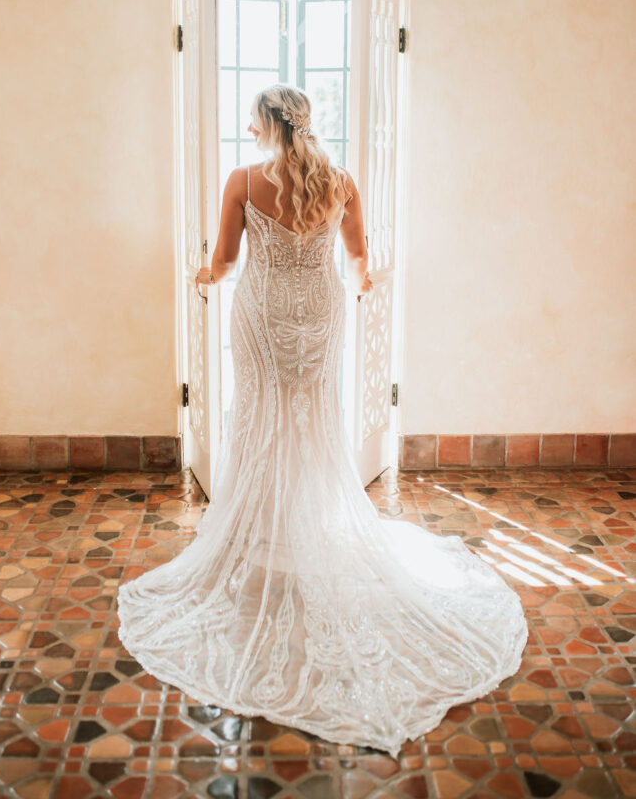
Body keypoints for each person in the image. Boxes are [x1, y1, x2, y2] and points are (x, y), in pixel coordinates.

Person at [117, 83, 528, 758]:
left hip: (262, 315)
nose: (245, 129)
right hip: (320, 315)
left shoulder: (243, 180)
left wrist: (197, 278)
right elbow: (362, 265)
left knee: (260, 419)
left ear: (264, 125)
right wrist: (367, 284)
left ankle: (266, 532)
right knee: (311, 418)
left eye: (249, 120)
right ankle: (296, 526)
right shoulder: (339, 182)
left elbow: (223, 264)